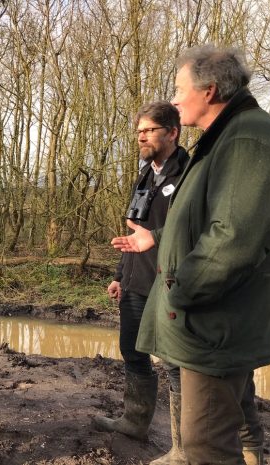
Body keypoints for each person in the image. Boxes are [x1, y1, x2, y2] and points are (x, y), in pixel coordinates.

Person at [112, 44, 270, 465]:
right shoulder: (222, 139)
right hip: (189, 306)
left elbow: (232, 238)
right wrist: (145, 251)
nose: (174, 98)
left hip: (206, 315)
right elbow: (192, 225)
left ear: (208, 90)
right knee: (206, 438)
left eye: (179, 88)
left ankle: (230, 448)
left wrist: (180, 294)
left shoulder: (246, 138)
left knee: (206, 445)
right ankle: (150, 430)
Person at [94, 102, 188, 446]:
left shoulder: (189, 174)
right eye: (138, 132)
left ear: (173, 132)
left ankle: (183, 445)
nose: (141, 138)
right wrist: (120, 275)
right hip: (135, 282)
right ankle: (134, 422)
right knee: (132, 351)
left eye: (149, 130)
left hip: (170, 284)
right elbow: (134, 232)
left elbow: (192, 234)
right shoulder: (145, 173)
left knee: (175, 364)